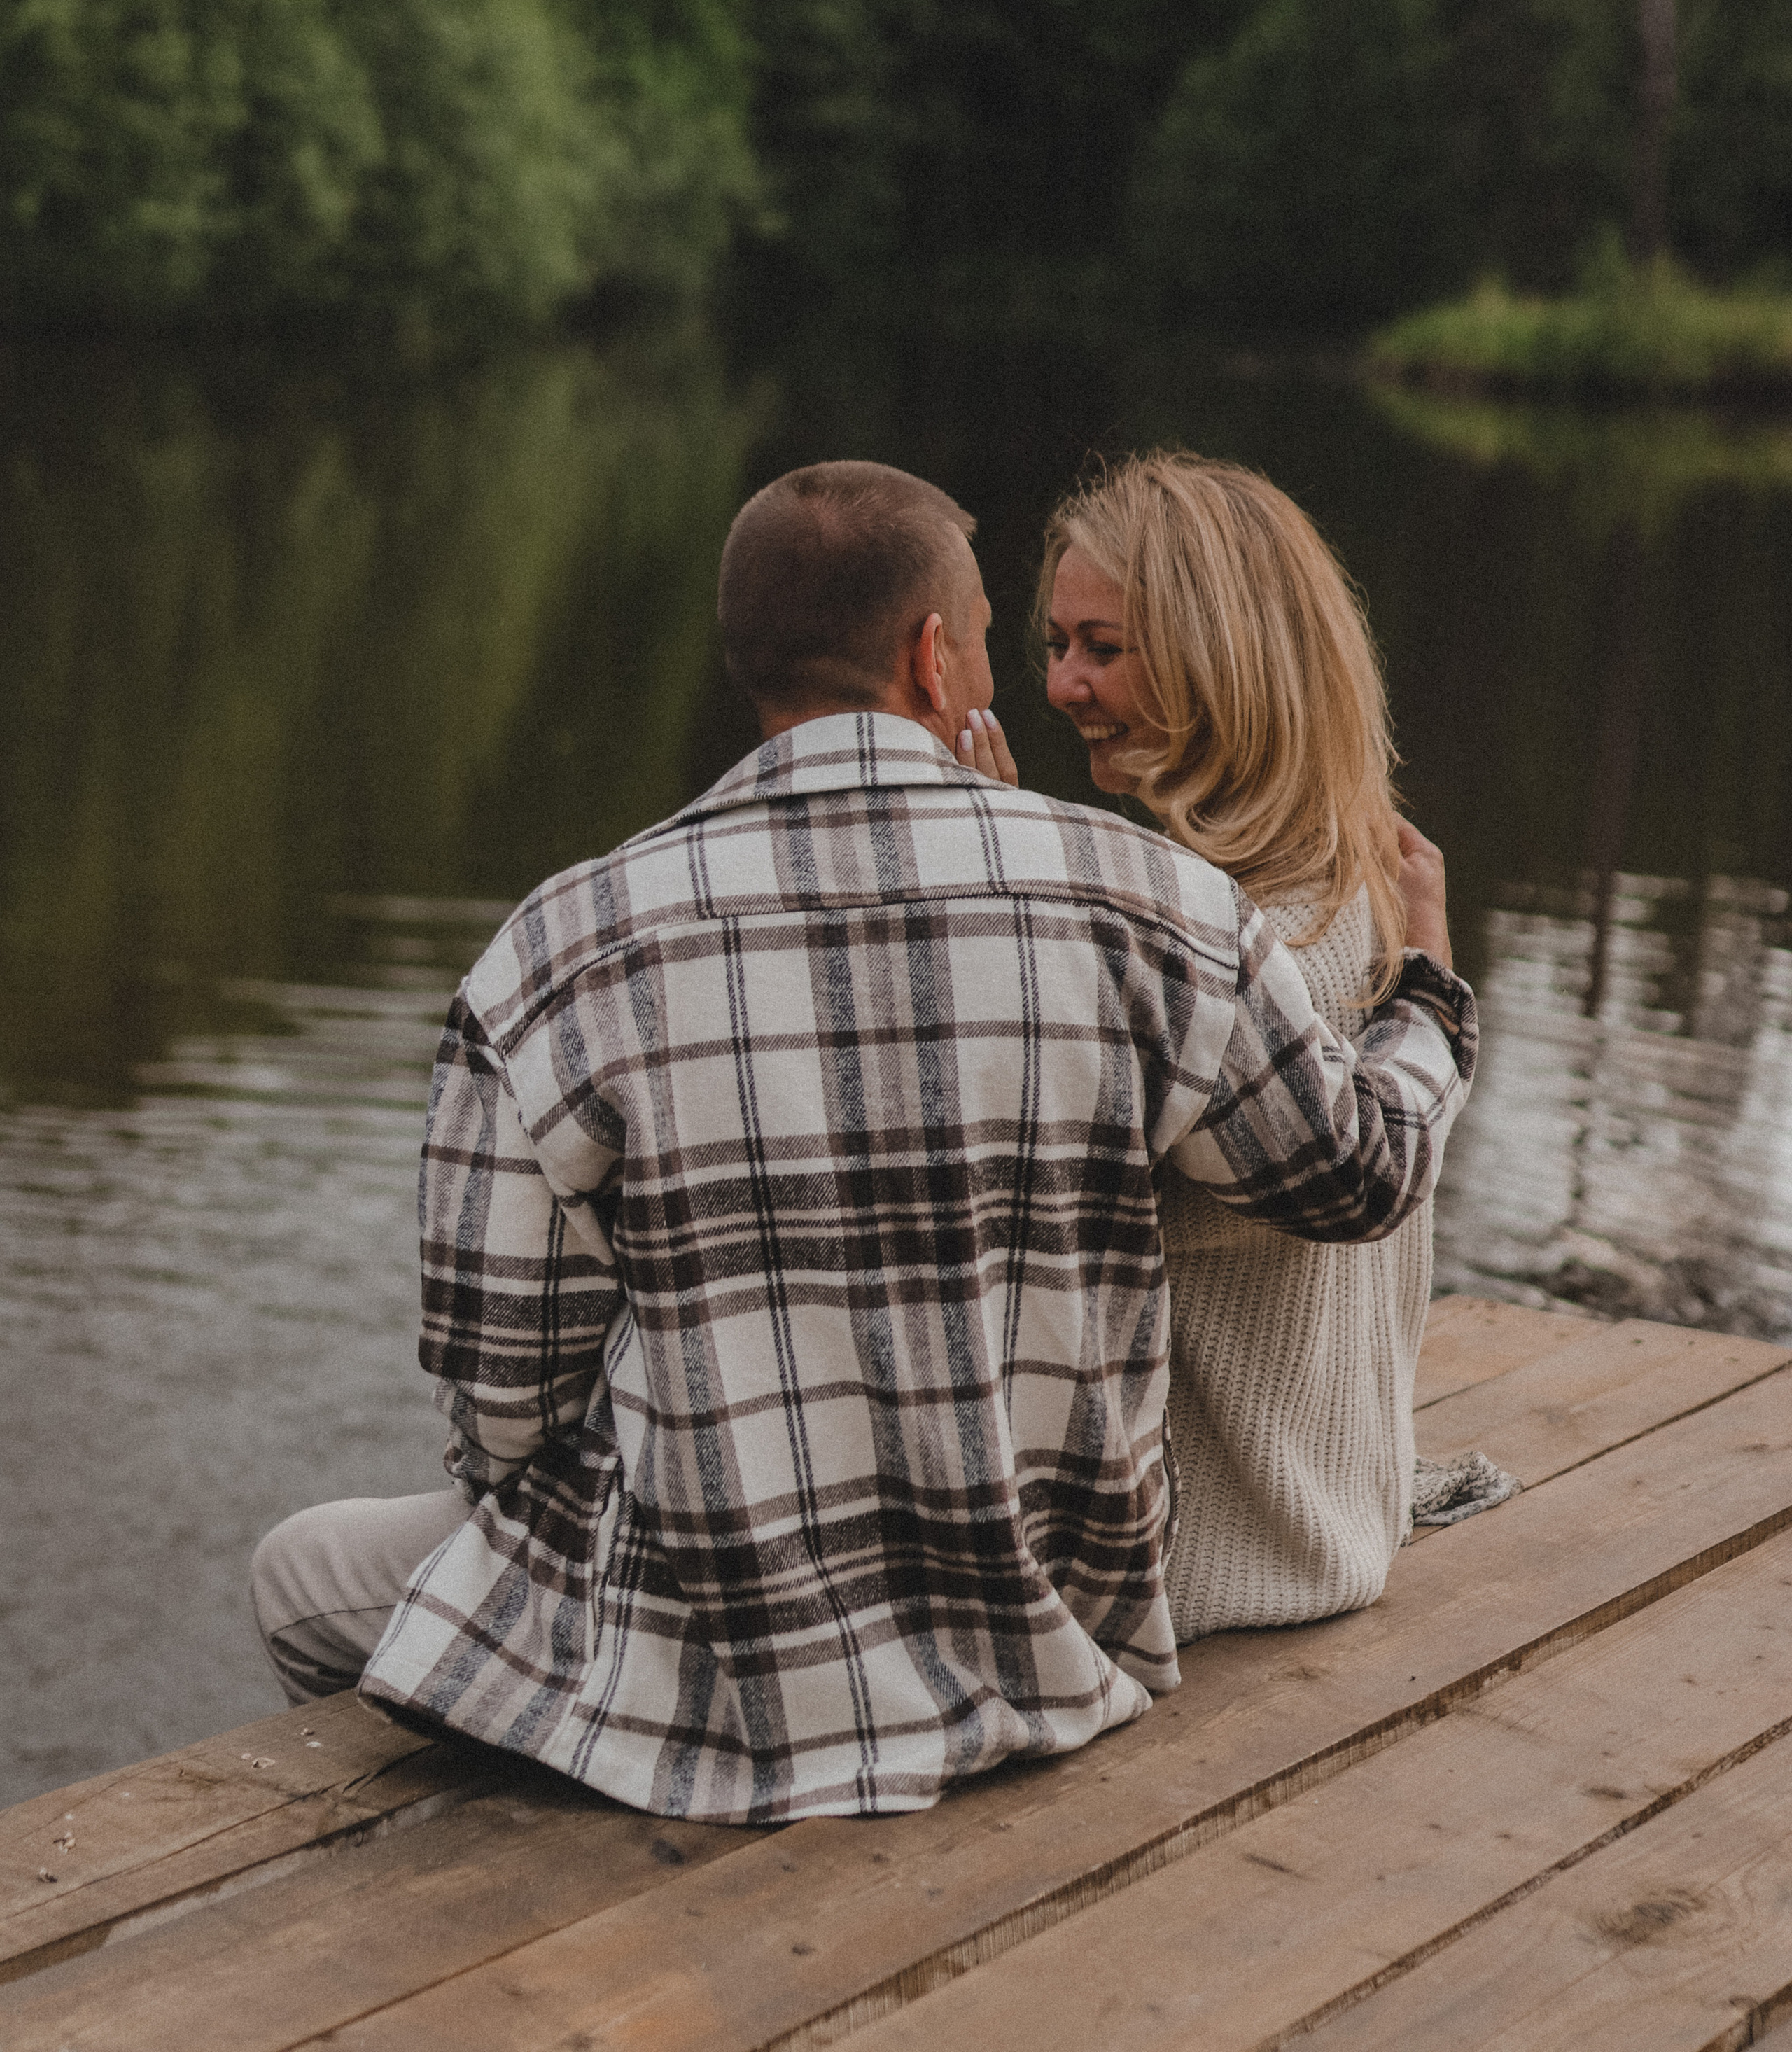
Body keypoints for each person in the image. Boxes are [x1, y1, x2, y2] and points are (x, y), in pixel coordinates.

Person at [251, 458, 1475, 1825]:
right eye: (1035, 649)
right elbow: (1356, 1167)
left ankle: (518, 1866)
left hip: (740, 1627)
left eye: (1092, 648)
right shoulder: (1162, 912)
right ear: (935, 653)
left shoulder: (550, 951)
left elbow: (499, 1410)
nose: (1050, 684)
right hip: (1054, 1626)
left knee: (307, 1577)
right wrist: (1431, 995)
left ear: (743, 665)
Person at [1025, 449, 1458, 1641]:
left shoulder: (1229, 949)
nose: (1064, 685)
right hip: (1321, 1528)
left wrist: (989, 902)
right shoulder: (1350, 892)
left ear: (1225, 658)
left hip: (1218, 1573)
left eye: (1103, 648)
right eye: (1059, 646)